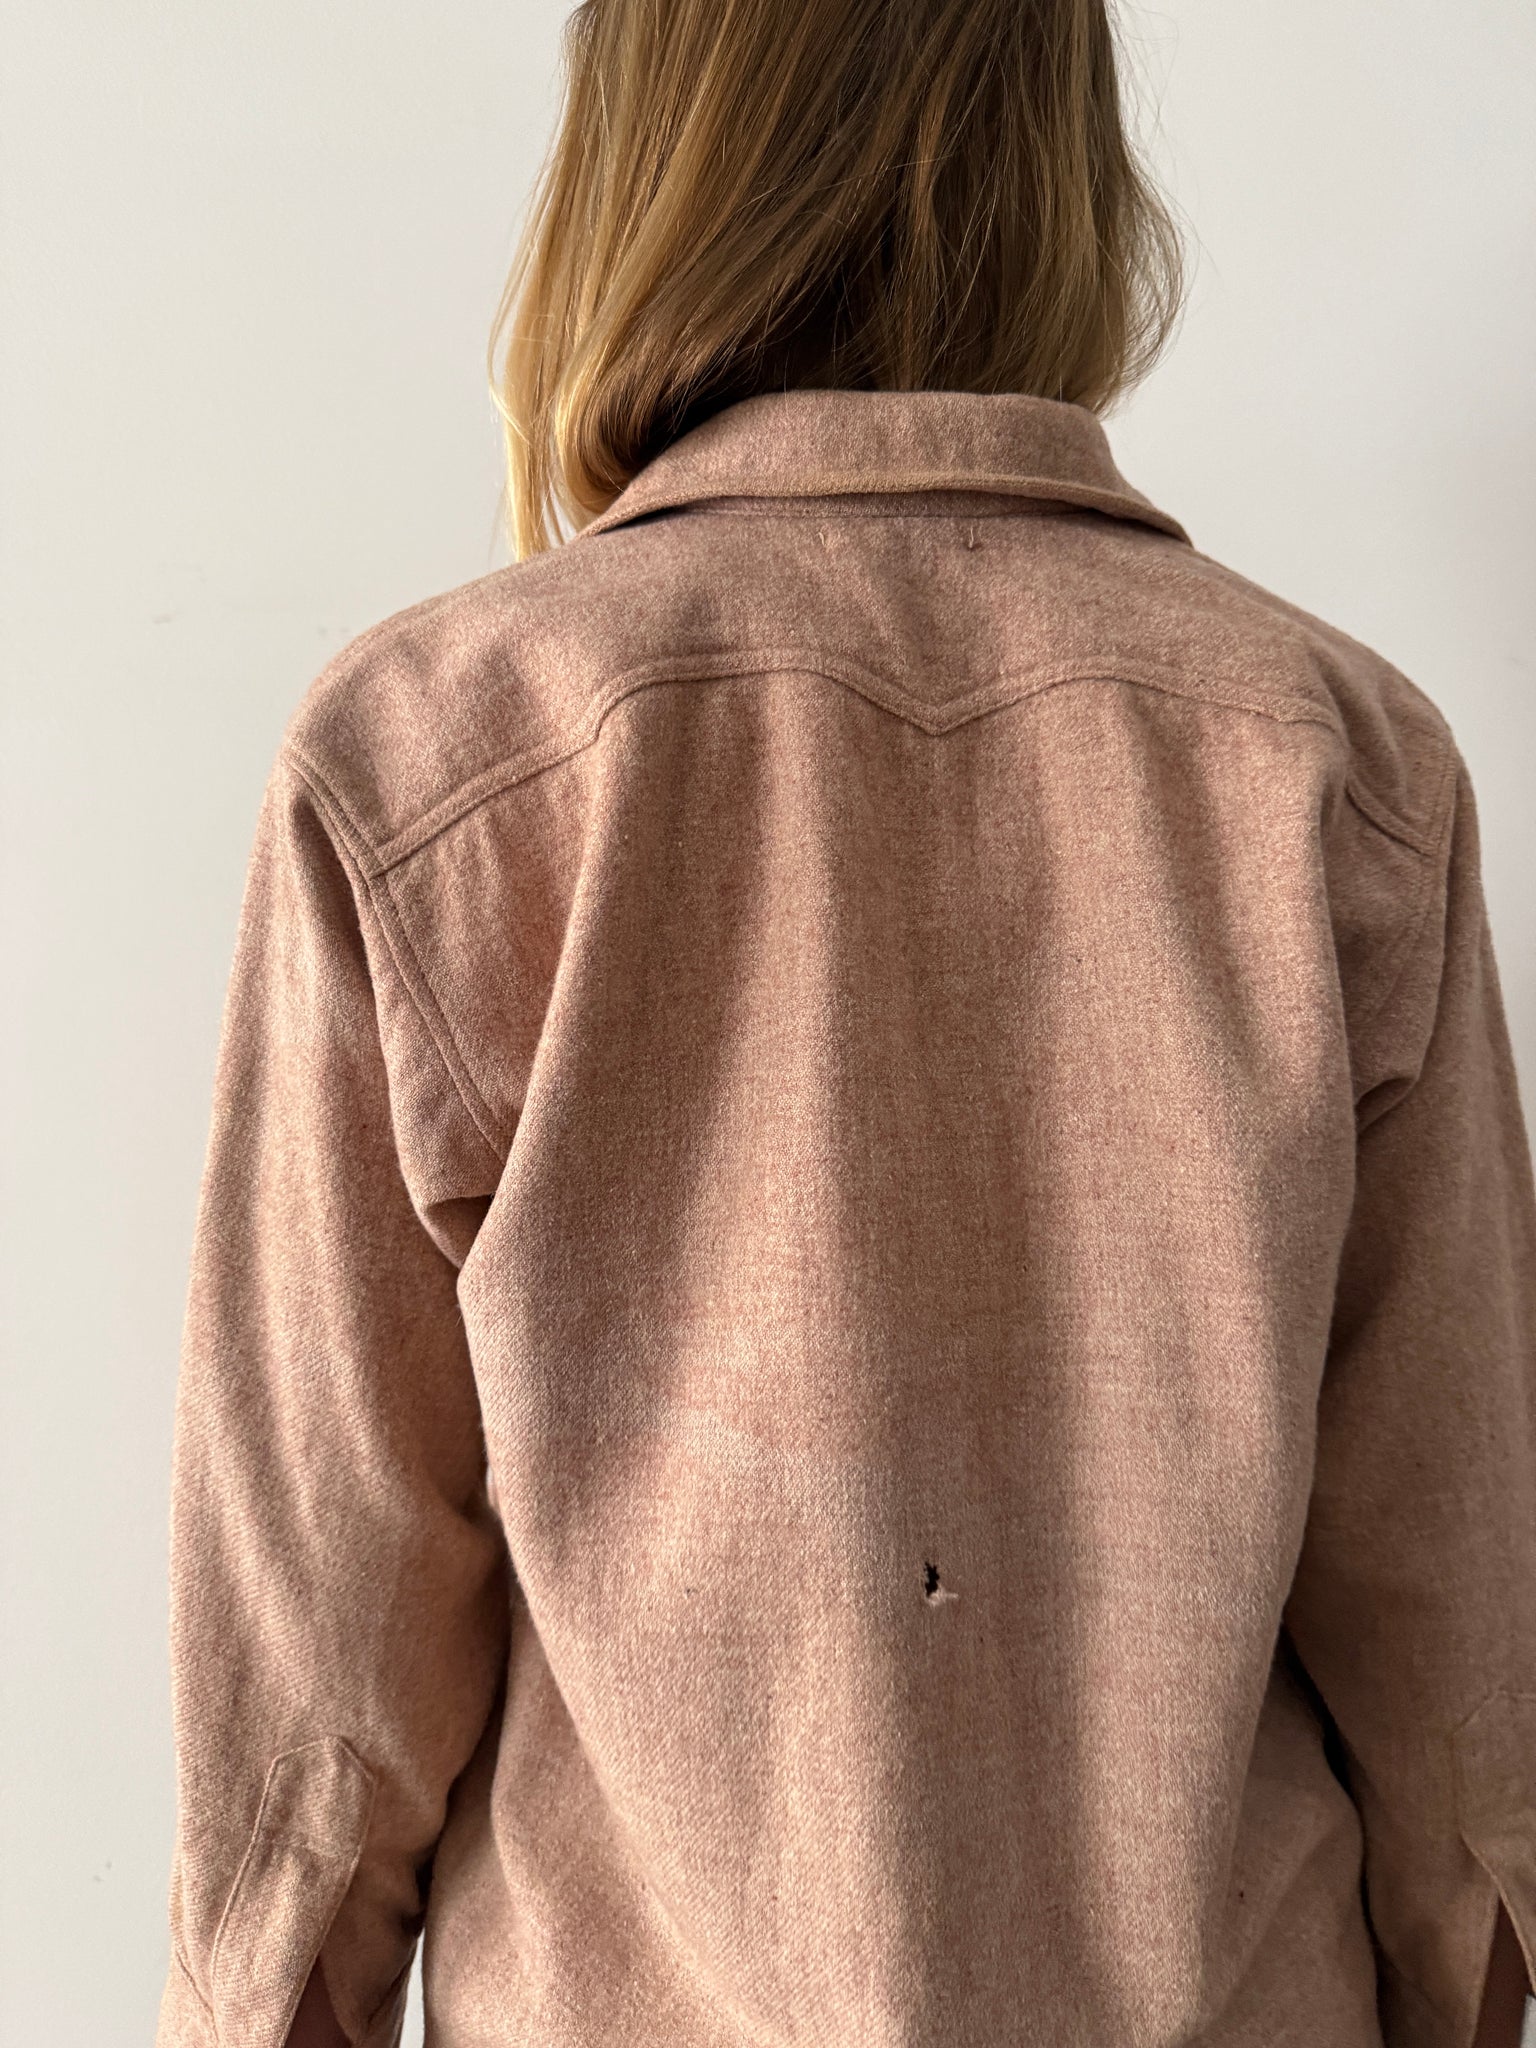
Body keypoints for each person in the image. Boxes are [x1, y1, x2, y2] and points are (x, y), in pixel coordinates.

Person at [153, 2, 1536, 2045]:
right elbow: (1465, 1679)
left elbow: (315, 1736)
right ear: (1065, 166)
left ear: (647, 169)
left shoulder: (440, 758)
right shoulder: (1336, 763)